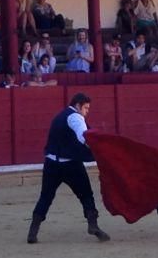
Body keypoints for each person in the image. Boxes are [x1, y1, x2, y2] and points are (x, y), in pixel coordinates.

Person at [27, 92, 109, 244]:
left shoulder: (59, 116)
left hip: (51, 163)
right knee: (86, 195)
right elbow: (83, 135)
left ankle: (33, 231)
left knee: (46, 197)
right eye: (85, 108)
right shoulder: (75, 117)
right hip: (71, 165)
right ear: (77, 105)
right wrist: (96, 146)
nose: (87, 112)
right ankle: (93, 225)